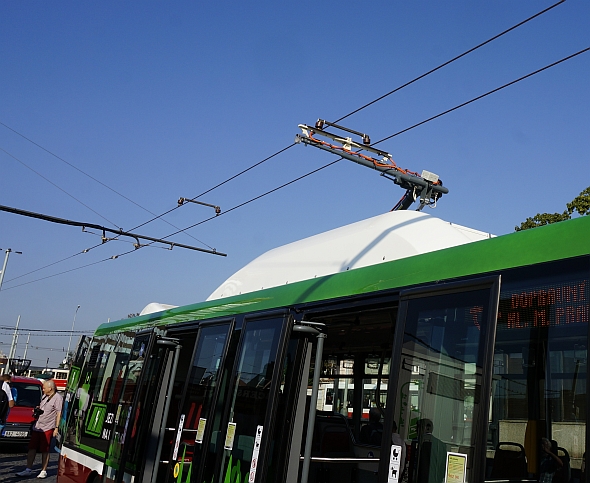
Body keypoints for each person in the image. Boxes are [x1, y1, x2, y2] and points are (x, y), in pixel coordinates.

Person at [16, 380, 63, 479]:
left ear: (50, 388)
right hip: (38, 426)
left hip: (48, 427)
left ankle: (43, 470)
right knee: (32, 448)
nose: (43, 389)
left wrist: (56, 428)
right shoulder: (45, 396)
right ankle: (28, 469)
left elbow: (59, 413)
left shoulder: (58, 398)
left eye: (44, 387)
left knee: (45, 449)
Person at [415, 418, 446, 483]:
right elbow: (442, 470)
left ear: (422, 428)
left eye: (417, 428)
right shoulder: (441, 445)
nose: (416, 431)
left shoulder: (418, 442)